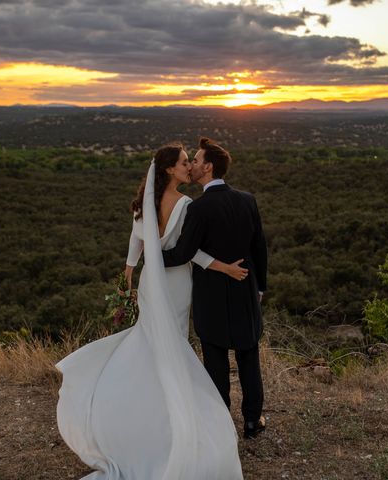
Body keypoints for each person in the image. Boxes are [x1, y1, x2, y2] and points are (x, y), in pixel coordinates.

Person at [55, 143, 245, 479]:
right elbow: (192, 253)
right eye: (186, 163)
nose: (190, 167)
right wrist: (224, 269)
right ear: (171, 169)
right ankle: (170, 416)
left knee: (152, 343)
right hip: (175, 285)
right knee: (172, 346)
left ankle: (137, 409)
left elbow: (136, 240)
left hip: (149, 285)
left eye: (191, 162)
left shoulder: (144, 203)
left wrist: (128, 273)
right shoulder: (186, 204)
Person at [162, 137, 268, 439]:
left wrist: (153, 255)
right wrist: (260, 287)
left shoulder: (199, 208)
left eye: (195, 160)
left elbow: (183, 253)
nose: (192, 165)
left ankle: (221, 427)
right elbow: (259, 248)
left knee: (216, 363)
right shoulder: (248, 200)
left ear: (208, 167)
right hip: (246, 288)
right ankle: (251, 422)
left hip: (211, 296)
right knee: (249, 358)